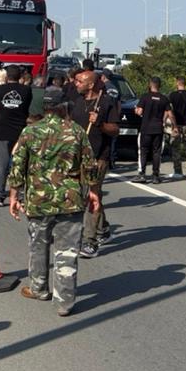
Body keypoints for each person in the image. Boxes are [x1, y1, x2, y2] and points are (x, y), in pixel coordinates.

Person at [8, 86, 99, 317]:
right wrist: (94, 191)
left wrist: (13, 195)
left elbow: (17, 165)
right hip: (70, 200)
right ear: (63, 106)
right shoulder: (77, 132)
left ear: (44, 107)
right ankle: (64, 302)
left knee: (38, 245)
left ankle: (38, 288)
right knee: (67, 252)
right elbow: (90, 165)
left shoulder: (30, 132)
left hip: (38, 200)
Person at [73, 69, 121, 256]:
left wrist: (100, 123)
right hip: (79, 157)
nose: (76, 83)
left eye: (80, 81)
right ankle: (104, 228)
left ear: (91, 84)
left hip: (98, 157)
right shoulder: (77, 103)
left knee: (89, 197)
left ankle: (89, 241)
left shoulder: (106, 103)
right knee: (94, 196)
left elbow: (115, 129)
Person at [0, 65, 33, 207]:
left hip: (1, 131)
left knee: (1, 165)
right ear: (20, 76)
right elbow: (27, 107)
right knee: (19, 164)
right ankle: (19, 195)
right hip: (20, 131)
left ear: (7, 77)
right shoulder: (26, 90)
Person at [134, 76, 173, 184]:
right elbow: (170, 113)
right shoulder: (164, 98)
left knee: (143, 151)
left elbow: (140, 112)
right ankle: (156, 176)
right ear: (159, 85)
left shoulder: (145, 97)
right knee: (157, 152)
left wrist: (136, 110)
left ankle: (142, 174)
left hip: (146, 128)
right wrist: (174, 126)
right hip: (158, 129)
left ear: (150, 84)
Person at [168, 76, 186, 180]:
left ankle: (178, 171)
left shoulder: (172, 95)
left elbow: (169, 109)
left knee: (176, 147)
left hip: (176, 125)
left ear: (177, 83)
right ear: (185, 83)